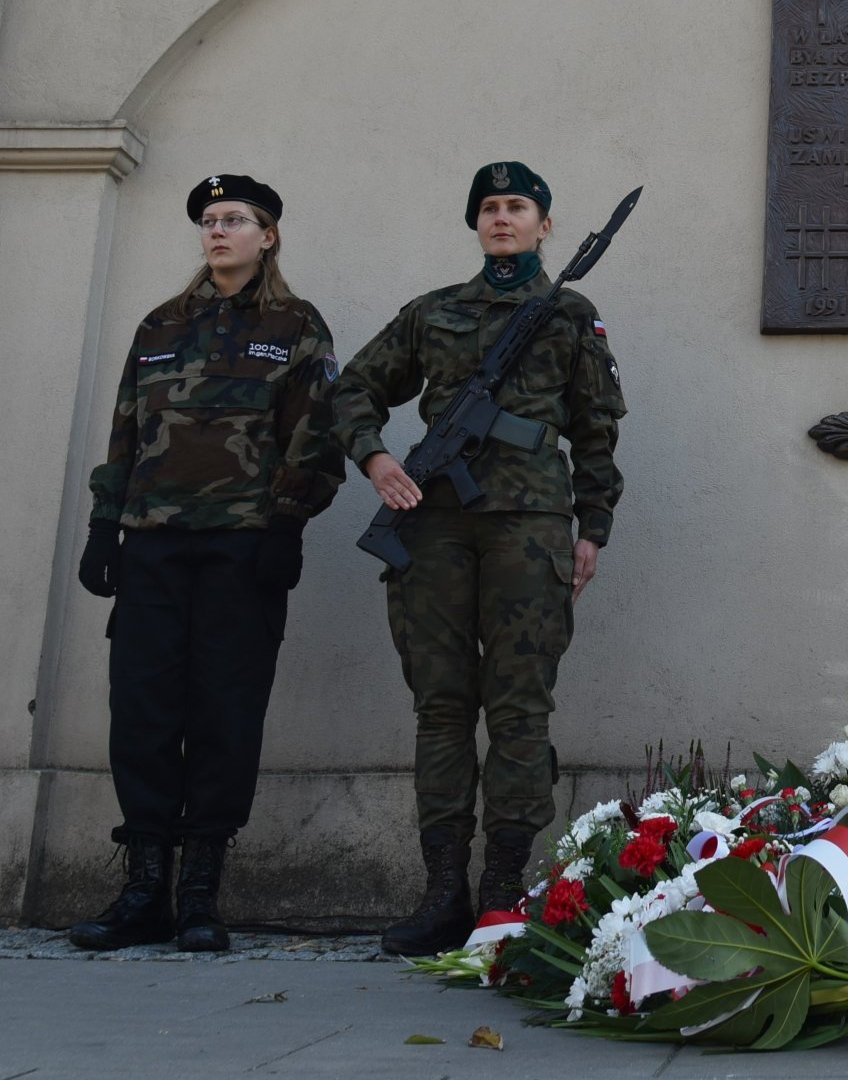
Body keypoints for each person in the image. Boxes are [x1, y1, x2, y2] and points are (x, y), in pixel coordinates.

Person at [333, 161, 627, 955]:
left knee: (521, 710)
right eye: (490, 208)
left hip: (529, 527)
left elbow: (596, 428)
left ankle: (502, 890)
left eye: (518, 207)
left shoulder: (569, 313)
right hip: (431, 527)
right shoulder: (434, 313)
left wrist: (591, 526)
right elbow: (353, 389)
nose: (503, 219)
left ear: (544, 225)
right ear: (477, 224)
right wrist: (376, 460)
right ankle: (440, 893)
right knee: (441, 707)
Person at [71, 174, 343, 952]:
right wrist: (103, 525)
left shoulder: (295, 325)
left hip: (241, 548)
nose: (218, 231)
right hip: (153, 543)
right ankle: (143, 890)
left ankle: (199, 895)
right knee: (144, 713)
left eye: (236, 220)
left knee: (224, 715)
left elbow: (315, 435)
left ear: (269, 236)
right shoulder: (160, 323)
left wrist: (287, 525)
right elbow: (125, 428)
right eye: (210, 220)